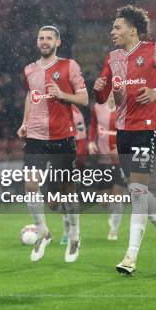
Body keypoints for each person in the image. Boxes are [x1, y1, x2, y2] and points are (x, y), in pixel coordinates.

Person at [93, 5, 156, 275]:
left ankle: (130, 257)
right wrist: (98, 91)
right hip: (123, 131)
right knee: (137, 190)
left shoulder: (154, 50)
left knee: (137, 192)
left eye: (117, 27)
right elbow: (102, 96)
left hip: (146, 128)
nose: (112, 32)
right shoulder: (111, 58)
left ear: (133, 30)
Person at [17, 25, 88, 263]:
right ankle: (43, 233)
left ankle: (75, 236)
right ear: (37, 42)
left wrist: (62, 95)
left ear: (57, 42)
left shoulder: (70, 65)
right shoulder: (29, 69)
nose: (44, 41)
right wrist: (24, 122)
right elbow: (31, 96)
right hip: (36, 137)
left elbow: (84, 98)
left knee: (68, 193)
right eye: (41, 38)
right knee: (30, 185)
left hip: (63, 137)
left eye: (49, 38)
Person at [88, 91, 125, 241]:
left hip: (119, 160)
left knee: (116, 196)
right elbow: (92, 126)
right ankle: (113, 214)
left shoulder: (124, 110)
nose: (111, 95)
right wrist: (91, 142)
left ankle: (114, 230)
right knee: (103, 200)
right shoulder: (97, 108)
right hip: (102, 159)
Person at [60, 105, 87, 246]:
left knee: (69, 197)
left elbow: (81, 141)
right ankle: (67, 230)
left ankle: (72, 231)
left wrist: (77, 162)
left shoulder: (76, 113)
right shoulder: (51, 109)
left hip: (71, 162)